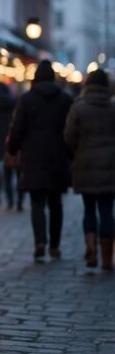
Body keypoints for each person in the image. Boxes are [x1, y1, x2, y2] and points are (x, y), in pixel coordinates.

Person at [7, 60, 72, 261]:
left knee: (37, 203)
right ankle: (54, 245)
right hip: (58, 157)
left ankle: (40, 242)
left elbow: (17, 128)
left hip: (33, 157)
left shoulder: (27, 99)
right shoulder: (65, 99)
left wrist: (12, 148)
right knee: (56, 204)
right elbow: (70, 130)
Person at [64, 69, 115, 270]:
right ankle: (107, 257)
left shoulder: (78, 108)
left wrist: (79, 150)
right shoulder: (113, 108)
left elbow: (68, 137)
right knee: (106, 211)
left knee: (89, 211)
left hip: (85, 166)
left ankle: (91, 249)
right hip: (111, 167)